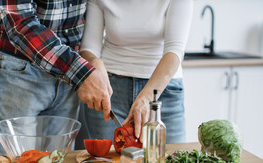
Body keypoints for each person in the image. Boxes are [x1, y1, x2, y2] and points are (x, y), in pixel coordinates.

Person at [0, 0, 112, 153]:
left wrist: (91, 61)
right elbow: (20, 24)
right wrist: (81, 72)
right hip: (21, 72)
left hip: (69, 76)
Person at [76, 0, 193, 147]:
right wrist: (94, 61)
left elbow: (174, 51)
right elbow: (89, 48)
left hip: (162, 92)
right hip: (110, 91)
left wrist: (147, 98)